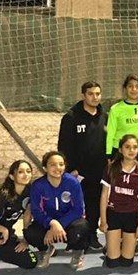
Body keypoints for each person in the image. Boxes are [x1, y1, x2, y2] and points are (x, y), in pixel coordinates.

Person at [57, 81, 108, 250]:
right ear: (83, 95)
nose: (95, 97)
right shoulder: (71, 117)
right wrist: (70, 169)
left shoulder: (105, 116)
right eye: (91, 94)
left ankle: (91, 234)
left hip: (99, 170)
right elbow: (64, 145)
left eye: (98, 94)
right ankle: (75, 237)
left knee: (95, 204)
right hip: (78, 172)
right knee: (76, 204)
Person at [24, 151, 91, 270]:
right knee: (31, 233)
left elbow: (78, 210)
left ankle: (77, 252)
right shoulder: (38, 185)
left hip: (68, 223)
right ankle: (46, 249)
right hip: (48, 223)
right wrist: (52, 223)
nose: (58, 168)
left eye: (61, 164)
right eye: (53, 164)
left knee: (82, 227)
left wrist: (59, 224)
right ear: (45, 167)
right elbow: (36, 212)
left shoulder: (72, 182)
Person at [98, 135, 138, 268]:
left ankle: (122, 244)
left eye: (135, 147)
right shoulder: (111, 168)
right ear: (120, 149)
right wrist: (103, 220)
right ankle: (111, 246)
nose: (131, 150)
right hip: (114, 213)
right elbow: (104, 195)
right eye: (127, 147)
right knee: (112, 263)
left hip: (132, 215)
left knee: (127, 263)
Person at [105, 74, 138, 161]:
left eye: (137, 86)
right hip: (120, 151)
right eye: (130, 86)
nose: (134, 89)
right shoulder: (116, 108)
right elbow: (110, 134)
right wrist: (108, 155)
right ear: (125, 88)